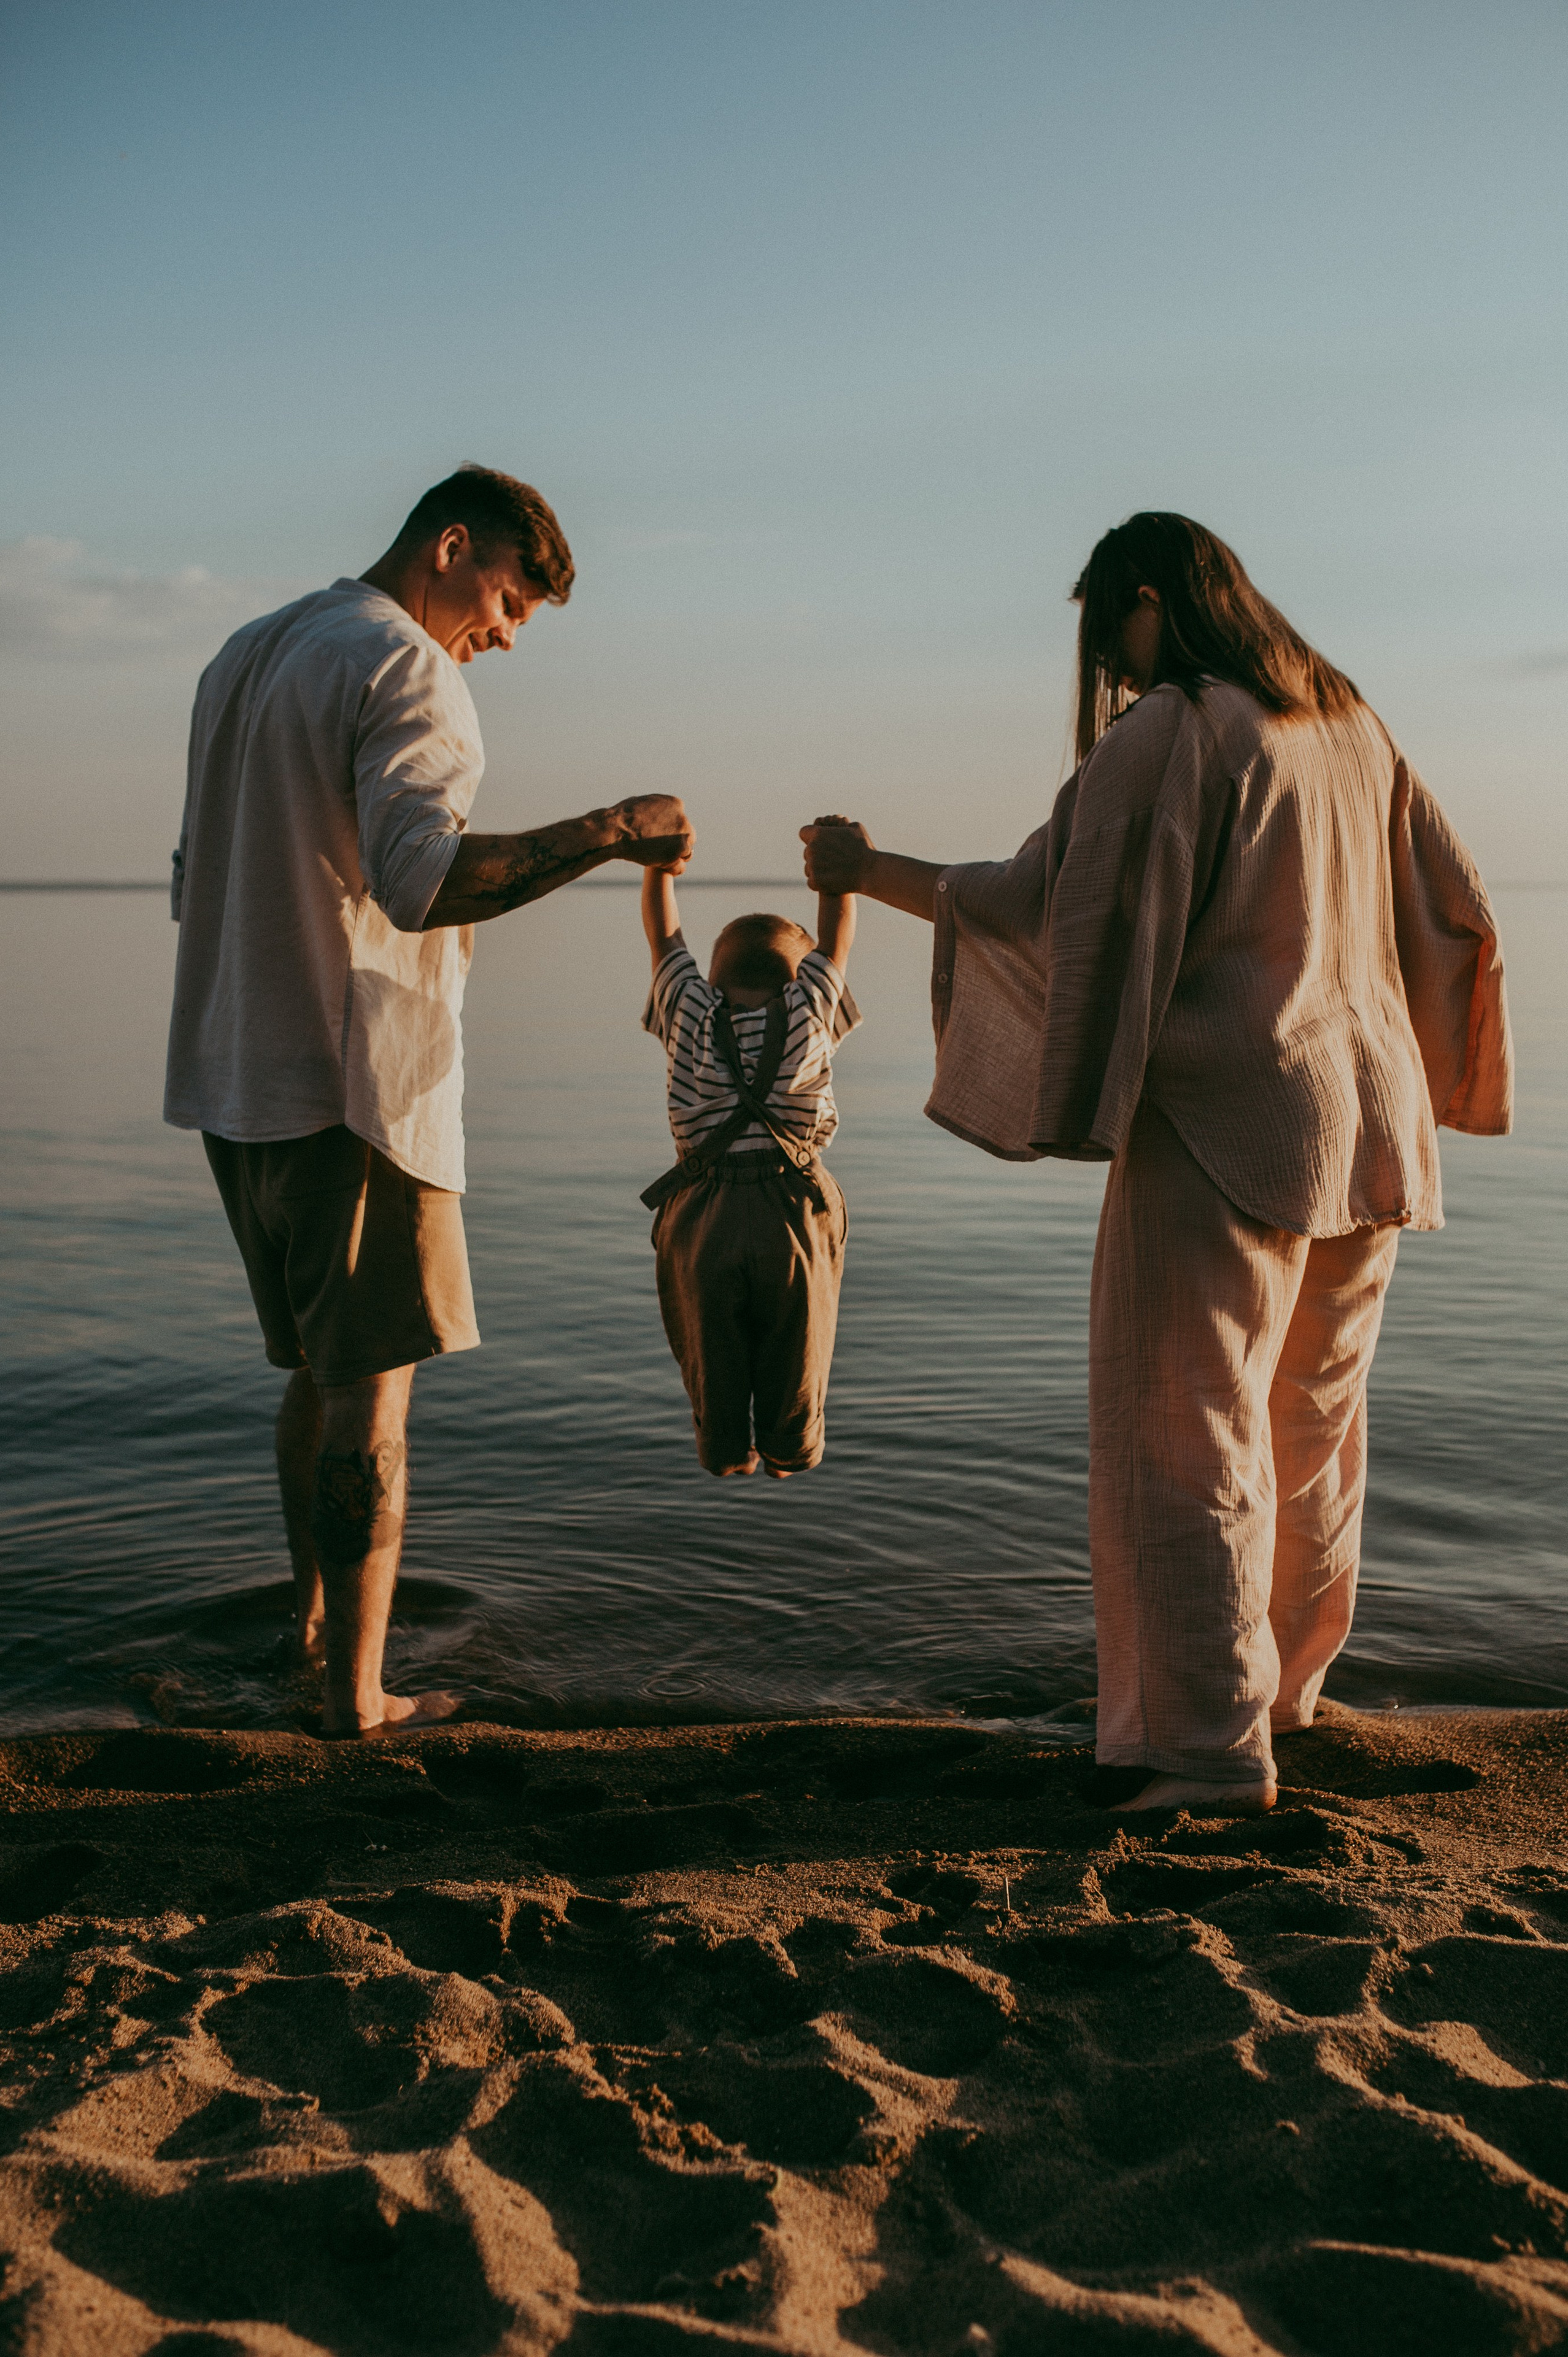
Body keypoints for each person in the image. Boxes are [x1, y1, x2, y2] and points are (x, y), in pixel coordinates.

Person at [801, 512, 1512, 1815]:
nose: (1112, 677)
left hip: (1230, 1120)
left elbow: (1044, 894)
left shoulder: (1178, 729)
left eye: (1108, 641)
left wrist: (866, 870)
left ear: (1146, 600)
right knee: (1308, 1434)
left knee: (1181, 1432)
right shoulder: (1348, 723)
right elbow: (1452, 902)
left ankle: (1196, 1746)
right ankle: (1286, 1695)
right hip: (1370, 1122)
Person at [164, 464, 693, 1736]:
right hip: (355, 1091)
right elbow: (421, 882)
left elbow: (198, 875)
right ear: (452, 546)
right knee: (373, 1396)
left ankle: (306, 1640)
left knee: (313, 1374)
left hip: (236, 1074)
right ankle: (357, 1697)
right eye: (510, 596)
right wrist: (608, 828)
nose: (506, 632)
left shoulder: (246, 652)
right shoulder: (406, 666)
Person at [639, 833, 860, 1476]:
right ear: (801, 979)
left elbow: (664, 939)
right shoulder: (808, 1011)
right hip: (795, 1210)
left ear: (711, 980)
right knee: (801, 1342)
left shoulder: (687, 1010)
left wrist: (660, 868)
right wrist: (834, 869)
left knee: (709, 1343)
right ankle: (790, 1447)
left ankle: (725, 1447)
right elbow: (837, 939)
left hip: (701, 1213)